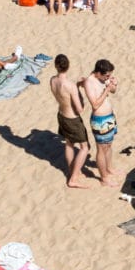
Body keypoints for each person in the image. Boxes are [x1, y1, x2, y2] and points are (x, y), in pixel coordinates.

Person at [49, 54, 89, 189]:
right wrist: (79, 90)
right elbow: (79, 109)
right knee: (84, 148)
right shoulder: (70, 85)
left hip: (61, 114)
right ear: (68, 66)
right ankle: (73, 178)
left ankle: (73, 171)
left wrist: (76, 87)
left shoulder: (52, 80)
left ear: (56, 66)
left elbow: (61, 96)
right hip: (72, 119)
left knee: (69, 144)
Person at [82, 59, 119, 186]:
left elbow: (113, 91)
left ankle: (109, 169)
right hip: (100, 121)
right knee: (101, 149)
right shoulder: (89, 82)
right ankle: (103, 178)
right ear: (98, 72)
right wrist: (107, 89)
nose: (108, 78)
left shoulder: (103, 78)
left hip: (110, 117)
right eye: (106, 76)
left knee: (109, 145)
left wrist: (114, 84)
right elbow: (95, 104)